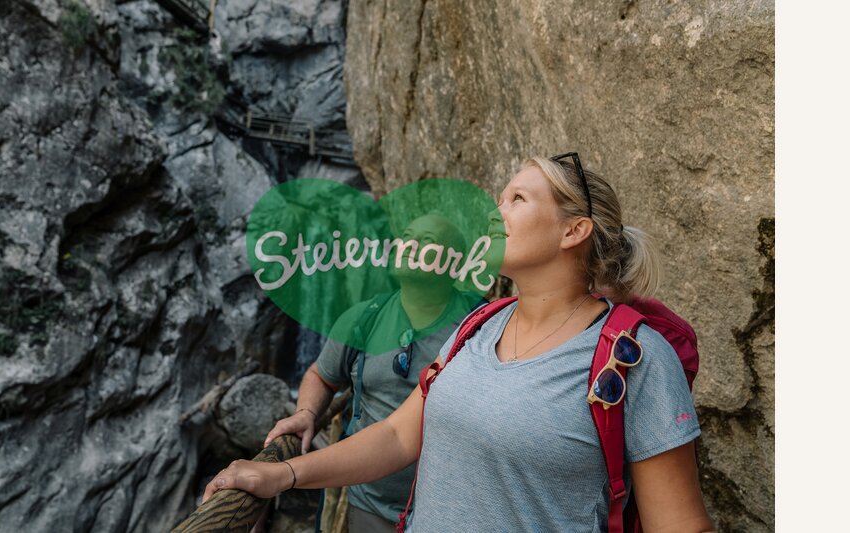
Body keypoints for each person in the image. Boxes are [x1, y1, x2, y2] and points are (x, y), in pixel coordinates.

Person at [203, 155, 714, 532]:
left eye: (518, 198)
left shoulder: (636, 359)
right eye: (500, 195)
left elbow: (682, 525)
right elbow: (399, 438)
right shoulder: (478, 326)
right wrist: (283, 475)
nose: (497, 209)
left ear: (573, 230)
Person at [262, 213, 486, 532]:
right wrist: (307, 412)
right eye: (407, 236)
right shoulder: (363, 318)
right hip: (369, 501)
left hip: (449, 507)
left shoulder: (482, 326)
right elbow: (322, 376)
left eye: (427, 241)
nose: (411, 245)